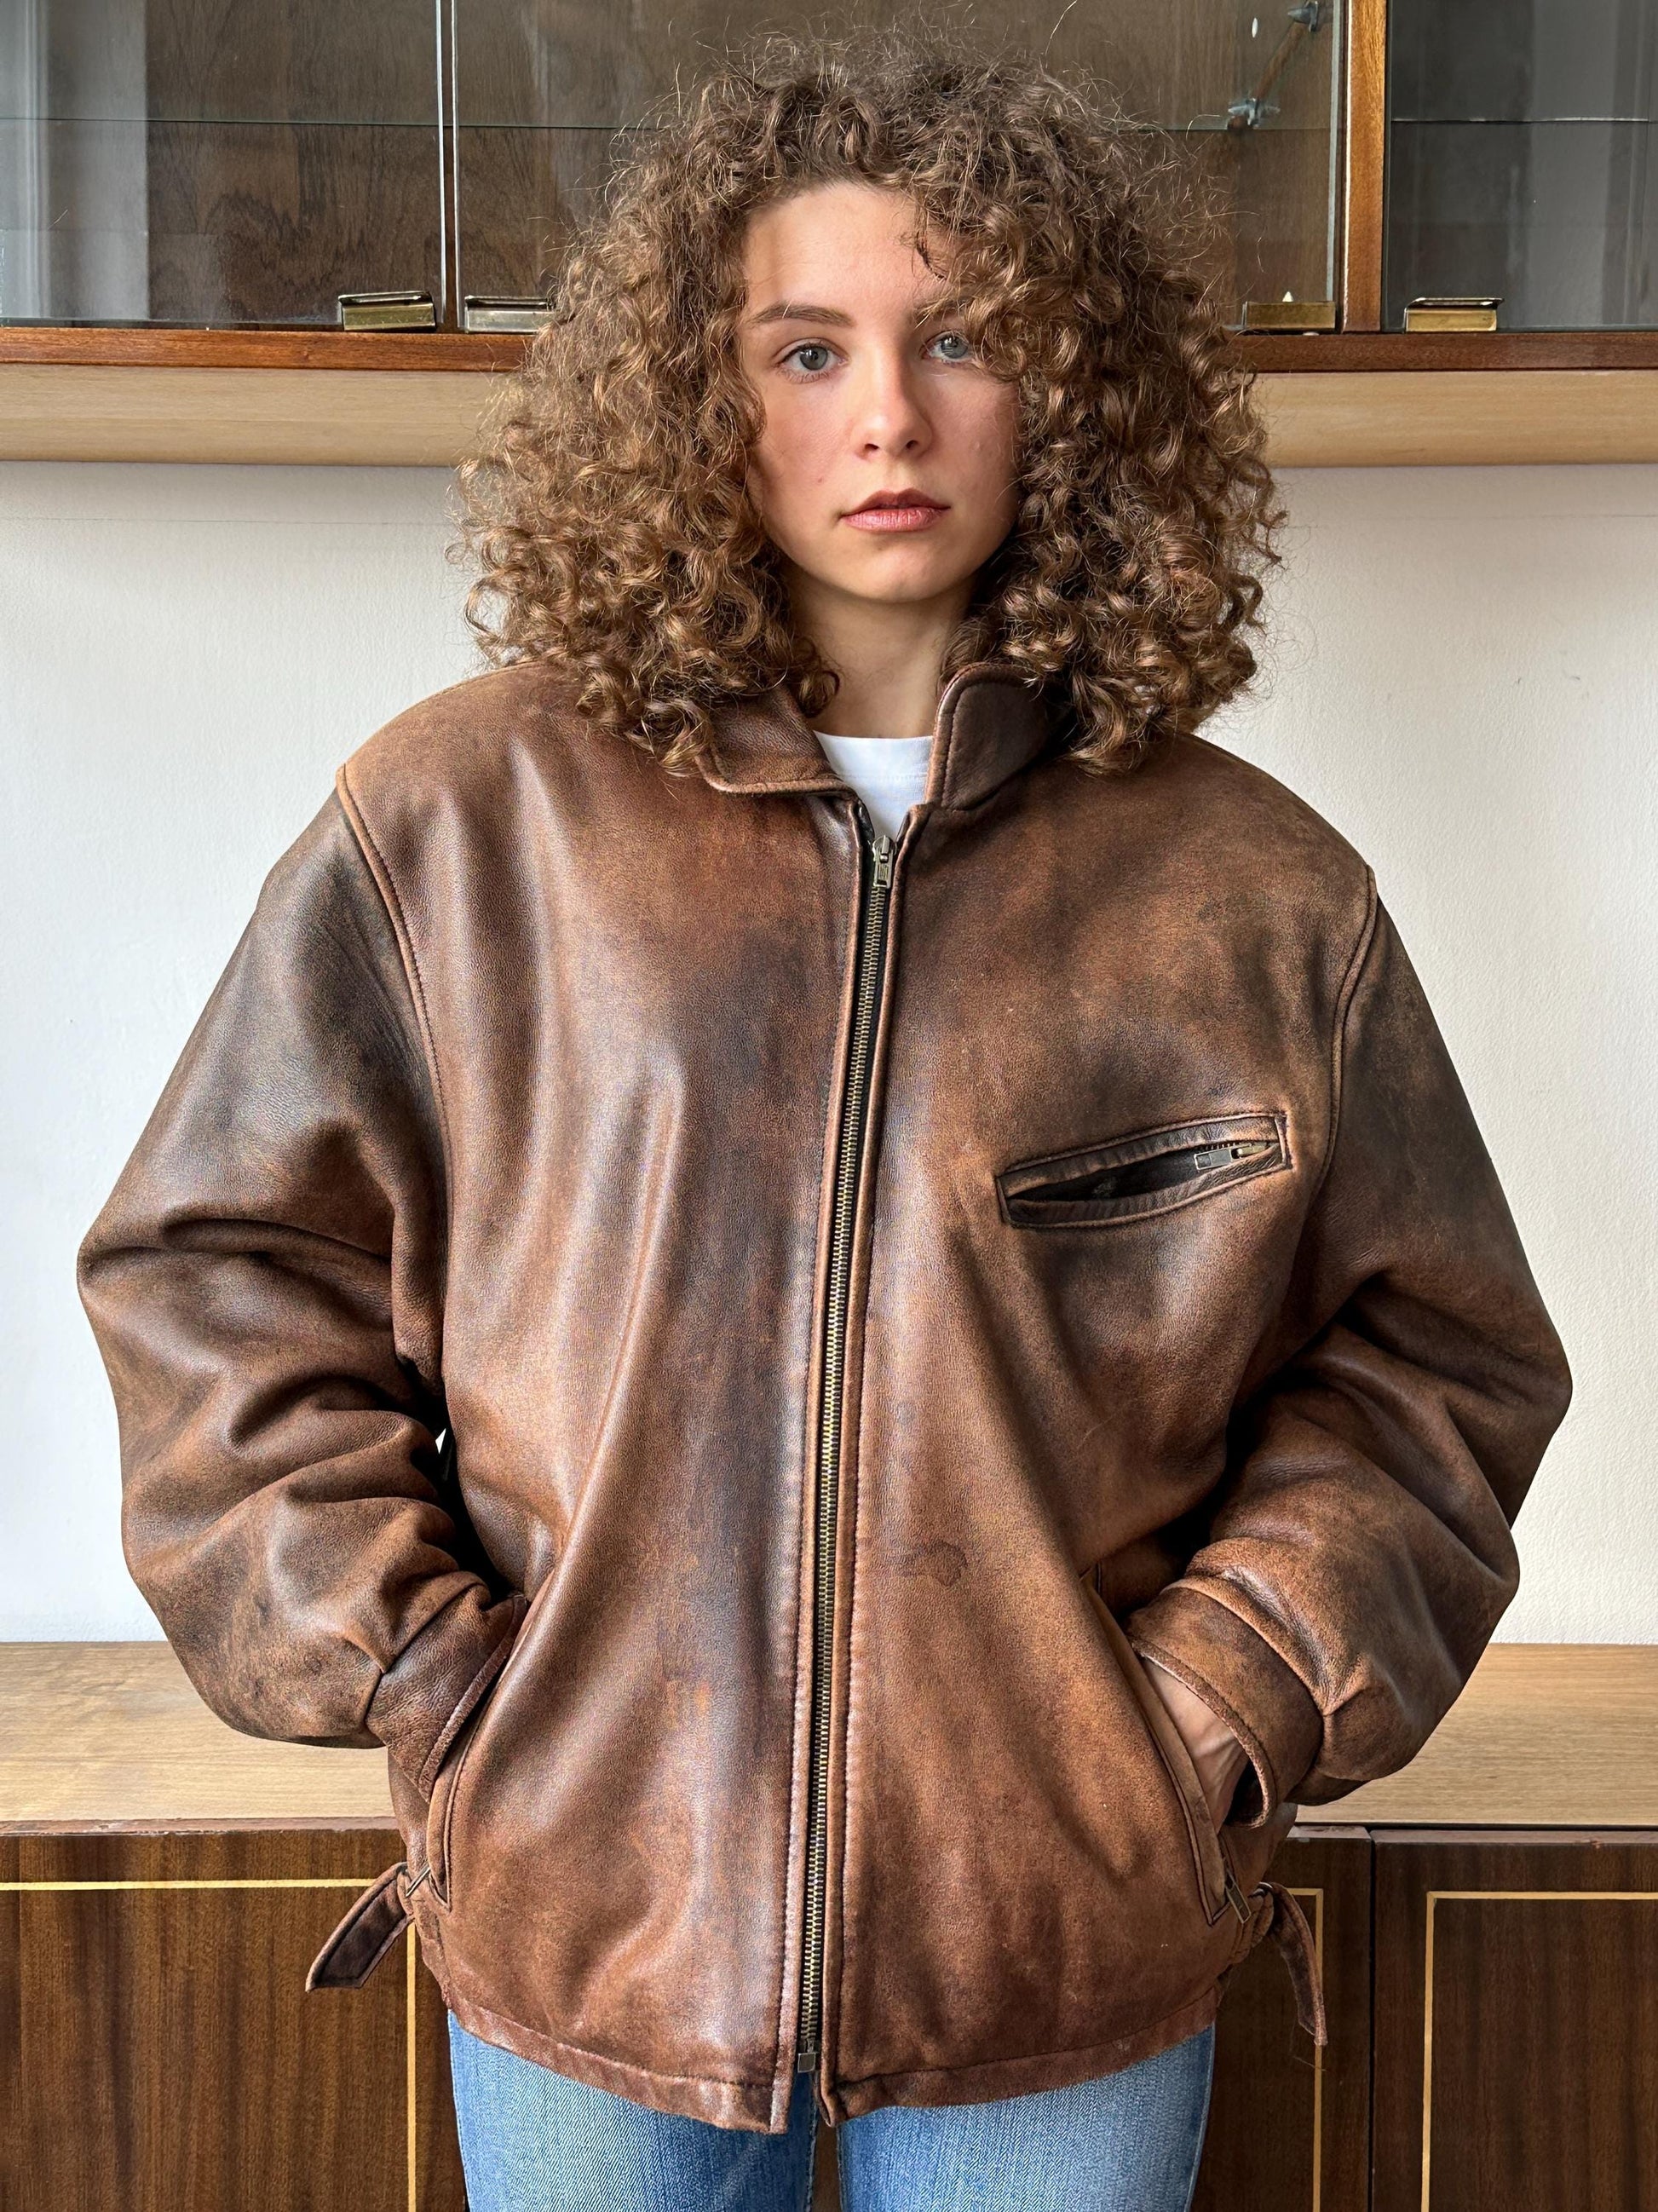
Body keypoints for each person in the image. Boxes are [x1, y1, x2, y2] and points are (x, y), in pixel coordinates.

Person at [75, 26, 1573, 2212]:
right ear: (700, 391)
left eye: (959, 336)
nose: (886, 415)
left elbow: (1434, 1364)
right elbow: (214, 1273)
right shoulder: (461, 828)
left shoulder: (1252, 894)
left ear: (1069, 391)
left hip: (1060, 1965)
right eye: (805, 345)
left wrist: (1212, 1715)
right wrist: (442, 1686)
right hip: (592, 1940)